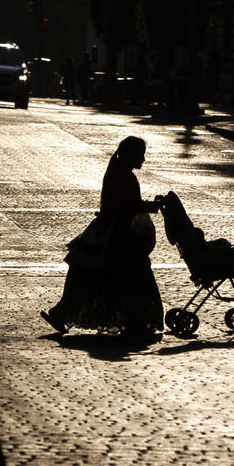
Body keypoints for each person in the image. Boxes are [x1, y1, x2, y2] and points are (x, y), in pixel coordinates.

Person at [41, 136, 164, 339]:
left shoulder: (116, 172)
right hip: (117, 234)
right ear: (131, 155)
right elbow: (130, 205)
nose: (143, 159)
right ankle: (136, 321)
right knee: (134, 276)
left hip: (105, 230)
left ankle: (62, 313)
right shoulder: (125, 176)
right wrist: (155, 205)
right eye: (140, 155)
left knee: (90, 277)